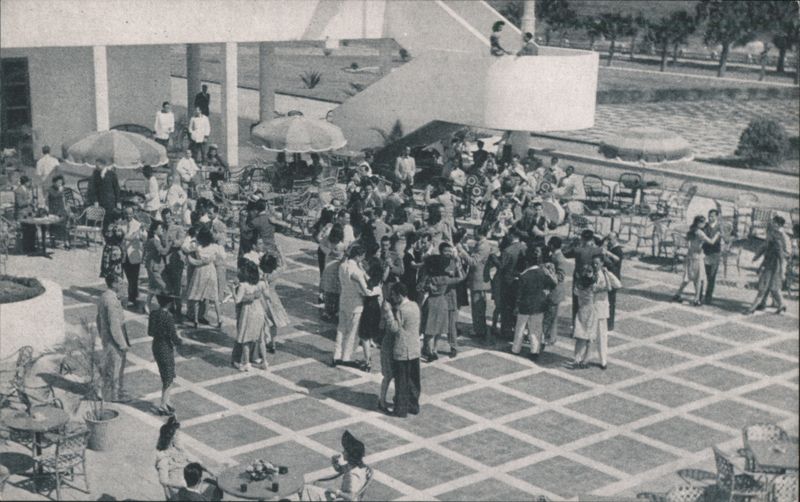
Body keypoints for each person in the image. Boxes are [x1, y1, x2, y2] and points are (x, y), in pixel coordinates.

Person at [571, 255, 621, 370]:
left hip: (600, 310)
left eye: (597, 263)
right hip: (589, 311)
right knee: (586, 336)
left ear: (602, 263)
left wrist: (607, 274)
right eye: (593, 263)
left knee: (601, 337)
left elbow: (618, 284)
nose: (595, 265)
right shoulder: (588, 275)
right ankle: (581, 359)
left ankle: (603, 361)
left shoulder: (605, 274)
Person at [156, 417, 222, 501]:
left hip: (190, 483)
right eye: (177, 435)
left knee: (216, 486)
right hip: (180, 491)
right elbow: (164, 481)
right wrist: (184, 485)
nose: (180, 437)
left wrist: (210, 470)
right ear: (171, 438)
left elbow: (196, 461)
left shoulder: (180, 450)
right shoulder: (163, 457)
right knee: (211, 490)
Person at [335, 245, 380, 367]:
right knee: (352, 333)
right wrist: (378, 291)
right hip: (355, 305)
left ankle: (337, 355)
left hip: (343, 301)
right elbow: (366, 292)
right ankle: (346, 357)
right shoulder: (356, 272)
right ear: (358, 256)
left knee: (341, 329)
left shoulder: (343, 266)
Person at [512, 245, 557, 360]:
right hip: (539, 305)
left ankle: (516, 349)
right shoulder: (542, 273)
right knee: (536, 329)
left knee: (520, 328)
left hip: (525, 306)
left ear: (527, 263)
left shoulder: (524, 276)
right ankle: (534, 351)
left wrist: (516, 306)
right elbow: (552, 284)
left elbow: (519, 294)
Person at [383, 282, 421, 417]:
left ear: (399, 295)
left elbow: (395, 328)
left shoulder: (401, 310)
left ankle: (400, 409)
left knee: (401, 381)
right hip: (415, 348)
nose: (392, 298)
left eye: (393, 295)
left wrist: (388, 312)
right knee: (413, 380)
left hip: (402, 350)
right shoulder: (415, 306)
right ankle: (413, 405)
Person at [299, 431, 368, 501]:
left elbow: (351, 497)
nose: (342, 452)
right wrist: (334, 461)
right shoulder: (356, 466)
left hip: (340, 499)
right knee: (308, 489)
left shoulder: (352, 475)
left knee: (306, 490)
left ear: (351, 456)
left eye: (345, 451)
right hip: (341, 497)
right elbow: (340, 469)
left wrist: (336, 491)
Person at [419, 252, 463, 361]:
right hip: (442, 302)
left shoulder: (429, 278)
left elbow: (419, 288)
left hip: (431, 302)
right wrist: (458, 267)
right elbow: (461, 278)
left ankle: (428, 351)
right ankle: (434, 349)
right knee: (438, 329)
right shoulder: (445, 278)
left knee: (429, 330)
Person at [746, 215, 790, 315]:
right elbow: (765, 246)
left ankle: (755, 307)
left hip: (778, 264)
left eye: (774, 222)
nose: (772, 223)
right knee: (768, 285)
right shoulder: (771, 233)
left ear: (778, 224)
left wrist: (782, 265)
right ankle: (777, 304)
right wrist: (757, 256)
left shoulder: (784, 237)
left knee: (772, 286)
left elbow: (787, 253)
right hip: (769, 262)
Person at [97, 274, 131, 402]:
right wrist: (122, 344)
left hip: (106, 338)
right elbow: (115, 325)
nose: (123, 286)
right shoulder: (111, 301)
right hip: (113, 340)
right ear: (114, 284)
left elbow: (98, 319)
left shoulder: (104, 296)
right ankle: (114, 397)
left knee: (109, 367)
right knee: (115, 368)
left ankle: (105, 392)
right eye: (121, 283)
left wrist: (102, 334)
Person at [672, 215, 717, 306]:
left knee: (687, 278)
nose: (705, 224)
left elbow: (687, 241)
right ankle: (696, 299)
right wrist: (717, 234)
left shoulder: (692, 231)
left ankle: (677, 294)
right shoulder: (699, 233)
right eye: (703, 222)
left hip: (690, 256)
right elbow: (711, 242)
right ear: (699, 223)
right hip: (697, 257)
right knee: (698, 279)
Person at [149, 295, 182, 415]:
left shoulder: (153, 314)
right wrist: (180, 341)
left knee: (166, 375)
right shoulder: (168, 317)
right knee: (168, 376)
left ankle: (167, 401)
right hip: (165, 347)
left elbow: (150, 332)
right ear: (169, 304)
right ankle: (163, 404)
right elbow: (174, 336)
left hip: (156, 345)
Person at [460, 226, 493, 343]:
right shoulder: (480, 244)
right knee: (477, 306)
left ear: (480, 233)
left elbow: (473, 262)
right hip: (477, 280)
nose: (473, 235)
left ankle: (479, 329)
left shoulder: (483, 246)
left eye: (475, 233)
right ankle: (478, 327)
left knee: (478, 306)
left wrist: (462, 252)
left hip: (479, 280)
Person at [186, 228, 224, 329]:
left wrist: (193, 258)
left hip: (200, 271)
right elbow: (223, 256)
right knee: (214, 296)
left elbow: (187, 250)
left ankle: (195, 320)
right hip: (211, 270)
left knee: (196, 296)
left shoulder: (197, 246)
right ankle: (219, 319)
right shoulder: (214, 247)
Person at [232, 260, 267, 371]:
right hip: (259, 311)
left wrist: (233, 289)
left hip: (248, 312)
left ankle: (246, 363)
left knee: (245, 338)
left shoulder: (243, 285)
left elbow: (237, 300)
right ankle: (264, 361)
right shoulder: (260, 283)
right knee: (260, 338)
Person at [564, 229, 603, 325]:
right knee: (590, 303)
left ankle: (576, 324)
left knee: (576, 303)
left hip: (578, 279)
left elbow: (565, 253)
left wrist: (572, 243)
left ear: (582, 238)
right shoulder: (597, 250)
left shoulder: (578, 250)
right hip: (592, 279)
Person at [498, 229, 527, 340]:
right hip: (520, 281)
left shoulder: (508, 250)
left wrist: (495, 258)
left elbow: (502, 266)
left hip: (507, 282)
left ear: (512, 235)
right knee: (516, 306)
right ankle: (517, 331)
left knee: (506, 307)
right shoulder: (524, 248)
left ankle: (506, 331)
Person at [356, 257, 384, 372]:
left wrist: (362, 270)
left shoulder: (367, 286)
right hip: (376, 309)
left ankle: (367, 361)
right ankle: (368, 358)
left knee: (364, 337)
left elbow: (364, 290)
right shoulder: (378, 283)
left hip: (368, 310)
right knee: (370, 335)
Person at [259, 254, 289, 356]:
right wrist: (280, 252)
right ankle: (273, 343)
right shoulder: (275, 273)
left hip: (261, 298)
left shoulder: (261, 273)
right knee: (274, 322)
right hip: (273, 298)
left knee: (262, 322)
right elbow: (285, 265)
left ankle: (262, 343)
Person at [543, 236, 568, 346]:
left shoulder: (559, 258)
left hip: (554, 291)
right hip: (553, 291)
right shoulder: (554, 256)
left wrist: (548, 274)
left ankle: (549, 337)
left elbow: (561, 276)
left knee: (550, 315)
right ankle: (550, 337)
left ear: (552, 245)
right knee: (551, 315)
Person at [87, 159, 122, 229]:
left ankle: (109, 235)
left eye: (97, 165)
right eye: (96, 165)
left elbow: (117, 189)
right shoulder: (95, 174)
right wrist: (95, 201)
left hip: (110, 201)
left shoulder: (111, 174)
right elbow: (93, 189)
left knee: (110, 219)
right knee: (100, 219)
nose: (96, 167)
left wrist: (118, 202)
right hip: (100, 201)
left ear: (103, 165)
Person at [46, 175, 72, 249]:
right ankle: (53, 241)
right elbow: (54, 196)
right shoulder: (50, 189)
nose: (60, 183)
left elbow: (65, 200)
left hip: (61, 210)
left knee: (66, 224)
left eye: (61, 182)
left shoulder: (62, 189)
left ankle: (66, 241)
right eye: (58, 182)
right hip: (53, 211)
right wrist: (60, 191)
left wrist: (67, 207)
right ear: (54, 182)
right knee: (54, 225)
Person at [702, 209, 722, 305]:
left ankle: (708, 297)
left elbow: (728, 237)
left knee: (711, 277)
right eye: (709, 216)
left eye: (712, 216)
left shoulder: (719, 227)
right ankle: (699, 295)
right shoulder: (705, 226)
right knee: (702, 275)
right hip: (705, 253)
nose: (710, 218)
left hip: (715, 254)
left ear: (717, 217)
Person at [321, 247, 344, 321]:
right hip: (331, 277)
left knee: (335, 295)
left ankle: (333, 312)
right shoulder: (331, 260)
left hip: (336, 278)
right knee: (330, 295)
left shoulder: (339, 258)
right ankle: (328, 312)